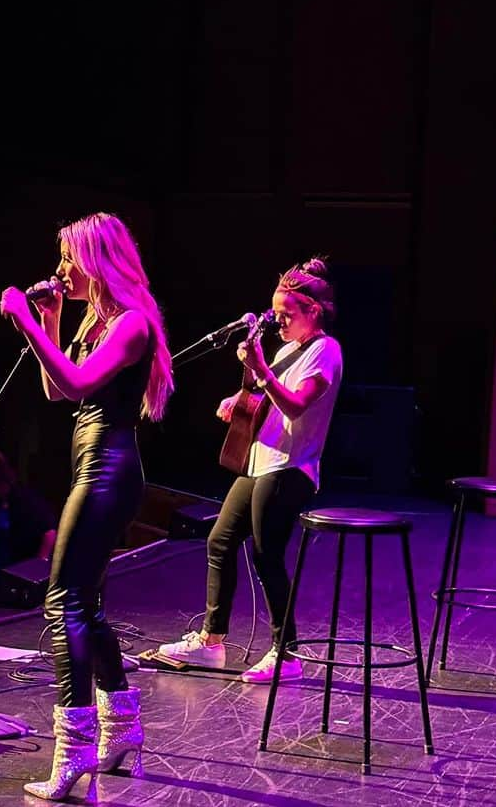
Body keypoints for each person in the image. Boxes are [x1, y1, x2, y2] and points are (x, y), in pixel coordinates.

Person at [0, 212, 173, 800]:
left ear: (97, 260)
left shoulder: (131, 324)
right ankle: (121, 726)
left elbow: (75, 385)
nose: (61, 269)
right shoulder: (96, 321)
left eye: (70, 258)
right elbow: (58, 390)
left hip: (108, 469)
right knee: (87, 604)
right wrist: (47, 321)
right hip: (91, 464)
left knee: (61, 601)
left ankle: (72, 750)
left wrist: (26, 321)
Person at [157, 258, 343, 684]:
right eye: (275, 313)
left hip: (291, 468)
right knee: (220, 540)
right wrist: (238, 401)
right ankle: (212, 640)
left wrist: (260, 372)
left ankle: (287, 653)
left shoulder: (325, 351)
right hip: (260, 463)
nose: (278, 321)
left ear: (313, 312)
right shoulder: (287, 349)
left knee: (266, 555)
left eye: (286, 315)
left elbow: (296, 404)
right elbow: (269, 399)